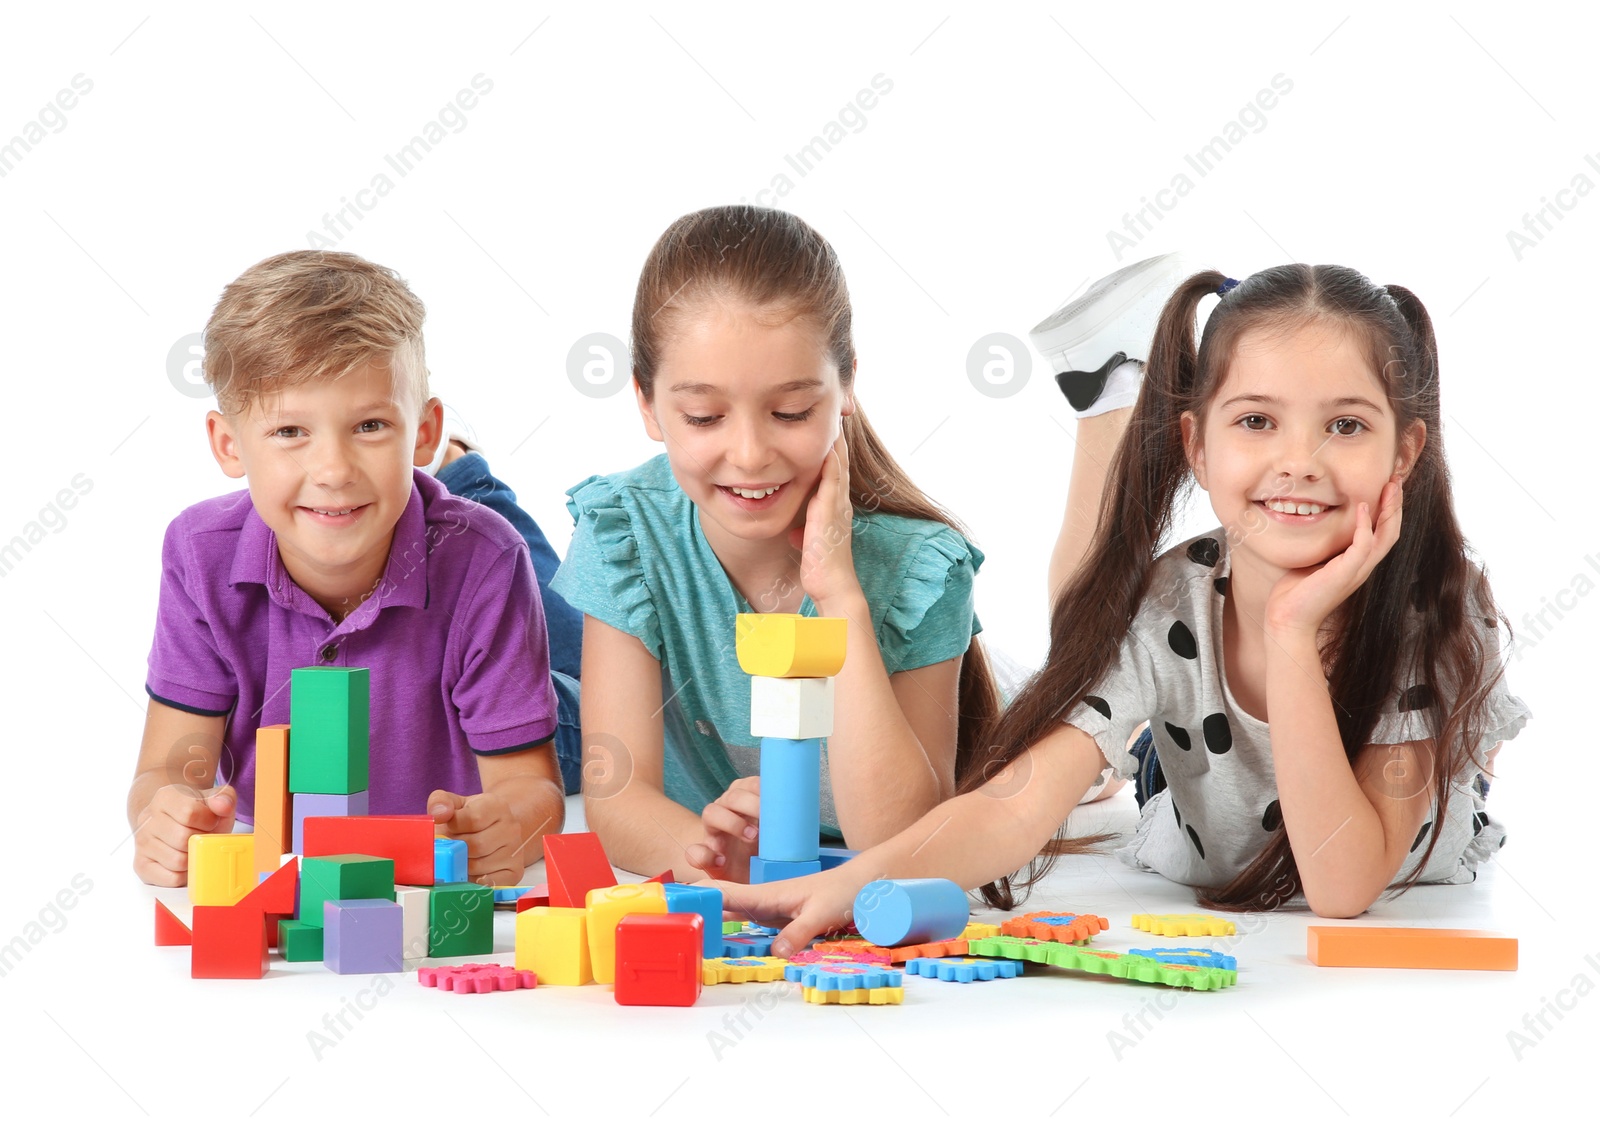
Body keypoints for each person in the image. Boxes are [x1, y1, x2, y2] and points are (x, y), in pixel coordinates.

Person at [721, 260, 1530, 955]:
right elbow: (1016, 806)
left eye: (1346, 426)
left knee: (1435, 742)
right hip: (1184, 785)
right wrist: (850, 885)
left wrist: (1289, 632)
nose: (1298, 462)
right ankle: (1115, 397)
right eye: (1256, 421)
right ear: (1197, 446)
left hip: (1376, 801)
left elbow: (1342, 886)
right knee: (1089, 630)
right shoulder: (1171, 600)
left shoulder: (1434, 610)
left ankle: (1466, 759)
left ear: (1406, 452)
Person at [547, 204, 1006, 882]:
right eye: (704, 416)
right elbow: (619, 798)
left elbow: (901, 840)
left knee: (1057, 748)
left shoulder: (919, 570)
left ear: (846, 384)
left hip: (962, 704)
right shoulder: (626, 534)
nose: (751, 454)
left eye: (791, 412)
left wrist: (840, 594)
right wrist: (709, 854)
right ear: (646, 402)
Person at [127, 250, 567, 888]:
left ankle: (467, 476)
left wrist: (505, 826)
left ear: (422, 431)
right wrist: (160, 817)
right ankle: (450, 478)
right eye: (289, 432)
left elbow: (535, 793)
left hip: (502, 690)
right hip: (414, 553)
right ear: (228, 444)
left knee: (578, 680)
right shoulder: (199, 552)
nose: (332, 469)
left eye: (369, 425)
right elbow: (163, 774)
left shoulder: (487, 562)